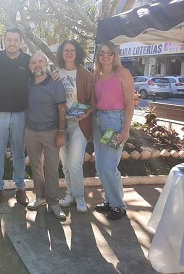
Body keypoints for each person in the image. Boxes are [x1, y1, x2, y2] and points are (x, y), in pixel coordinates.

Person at [0, 27, 31, 206]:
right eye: (9, 39)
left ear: (21, 42)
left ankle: (20, 188)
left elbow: (41, 75)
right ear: (4, 40)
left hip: (21, 113)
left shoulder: (28, 61)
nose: (12, 43)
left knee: (19, 153)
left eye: (16, 40)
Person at [93, 41, 134, 220]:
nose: (105, 56)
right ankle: (110, 200)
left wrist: (126, 128)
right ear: (97, 55)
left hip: (114, 122)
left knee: (109, 166)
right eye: (102, 52)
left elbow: (130, 102)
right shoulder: (96, 75)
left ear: (114, 55)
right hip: (98, 122)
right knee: (101, 166)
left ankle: (119, 206)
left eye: (109, 52)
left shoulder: (122, 73)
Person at [25, 52, 67, 221]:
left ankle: (53, 202)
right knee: (36, 167)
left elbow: (62, 109)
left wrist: (61, 132)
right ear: (30, 66)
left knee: (51, 168)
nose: (37, 65)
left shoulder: (55, 83)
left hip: (51, 132)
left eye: (40, 61)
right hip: (31, 131)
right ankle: (40, 198)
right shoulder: (27, 84)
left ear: (46, 63)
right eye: (34, 62)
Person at [56, 40, 96, 213]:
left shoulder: (84, 74)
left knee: (74, 163)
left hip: (79, 123)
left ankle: (79, 196)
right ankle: (70, 194)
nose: (69, 53)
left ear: (77, 53)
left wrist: (86, 113)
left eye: (72, 50)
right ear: (61, 53)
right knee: (65, 163)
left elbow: (93, 100)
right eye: (66, 50)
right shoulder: (57, 74)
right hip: (61, 125)